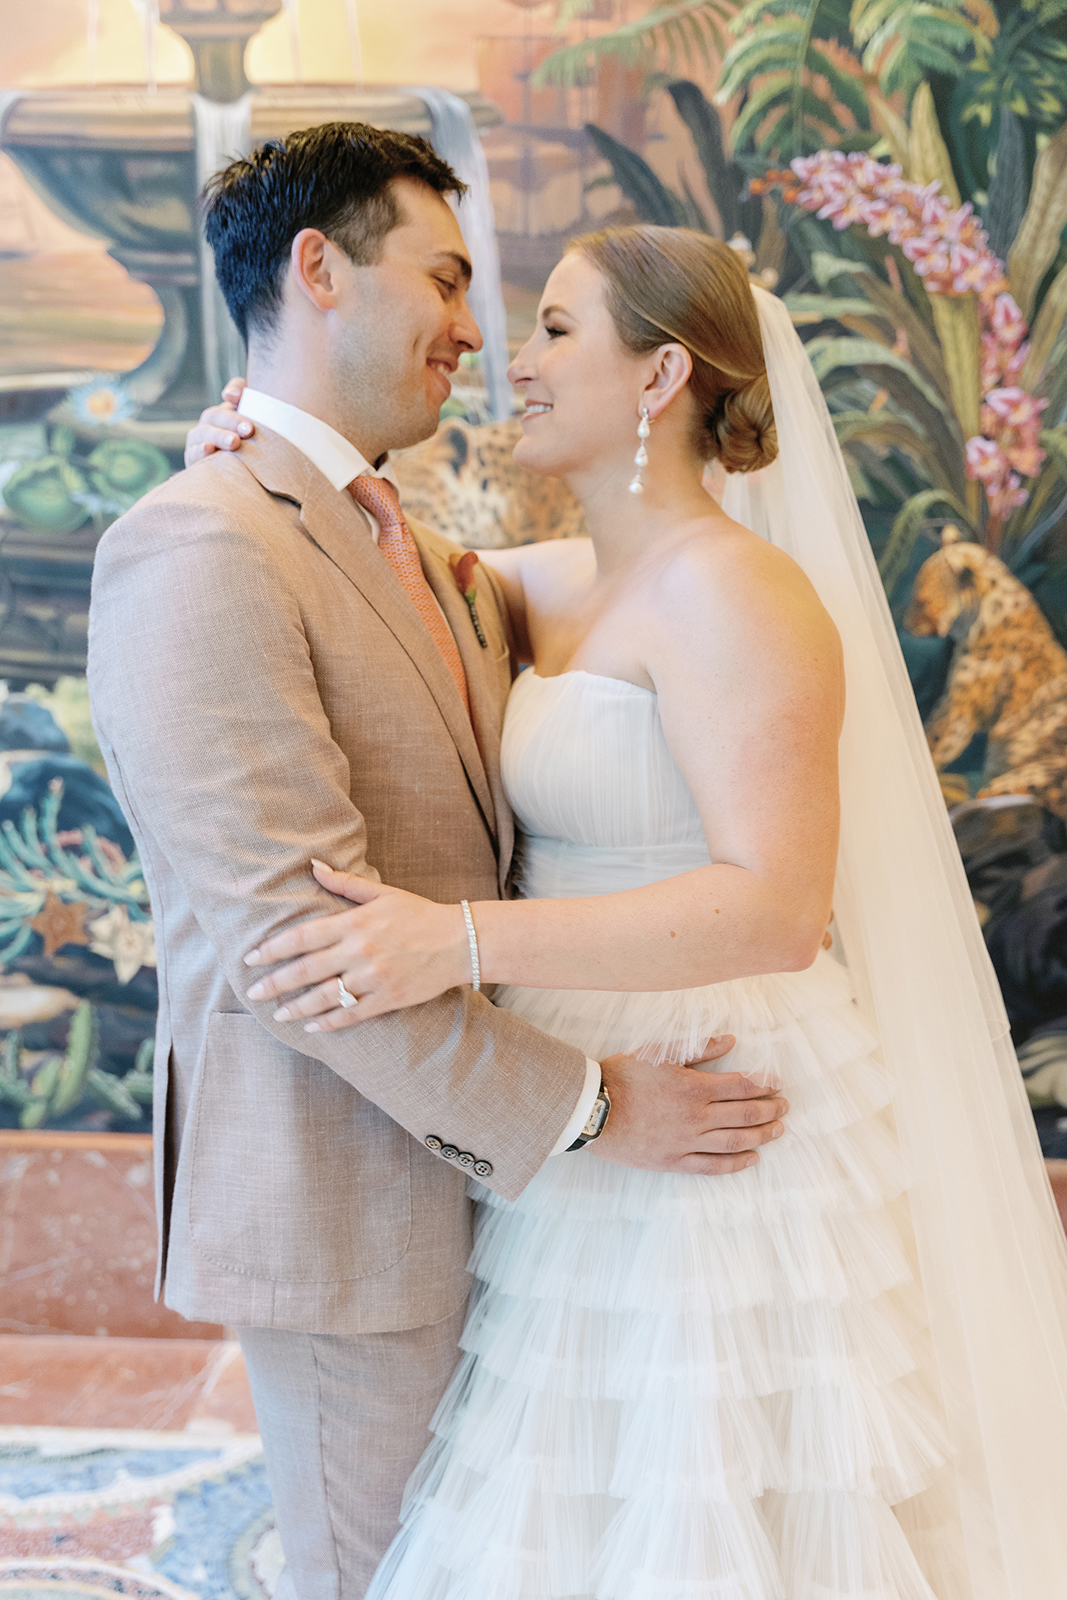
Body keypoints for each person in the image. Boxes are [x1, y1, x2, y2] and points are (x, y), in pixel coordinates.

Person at [195, 225, 1067, 1597]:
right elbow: (364, 559)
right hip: (578, 1091)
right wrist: (251, 464)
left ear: (660, 374)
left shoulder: (740, 593)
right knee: (572, 1496)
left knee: (704, 1500)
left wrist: (454, 940)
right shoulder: (560, 586)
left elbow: (776, 908)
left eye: (553, 330)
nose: (511, 360)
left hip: (716, 1088)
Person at [89, 125, 793, 1600]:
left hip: (509, 1191)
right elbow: (302, 945)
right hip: (351, 1193)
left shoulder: (415, 547)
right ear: (318, 270)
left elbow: (576, 612)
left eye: (523, 316)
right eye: (451, 280)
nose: (481, 338)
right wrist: (600, 1107)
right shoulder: (203, 542)